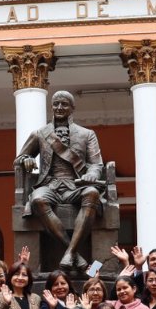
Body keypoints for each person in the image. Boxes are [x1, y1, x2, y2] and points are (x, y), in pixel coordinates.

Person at [15, 90, 107, 270]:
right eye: (56, 104)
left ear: (72, 108)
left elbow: (97, 165)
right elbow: (20, 158)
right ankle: (74, 253)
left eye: (64, 104)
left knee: (93, 193)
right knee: (38, 199)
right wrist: (27, 159)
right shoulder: (40, 134)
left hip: (77, 185)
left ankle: (75, 257)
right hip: (49, 185)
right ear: (51, 107)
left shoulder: (87, 134)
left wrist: (92, 175)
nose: (59, 107)